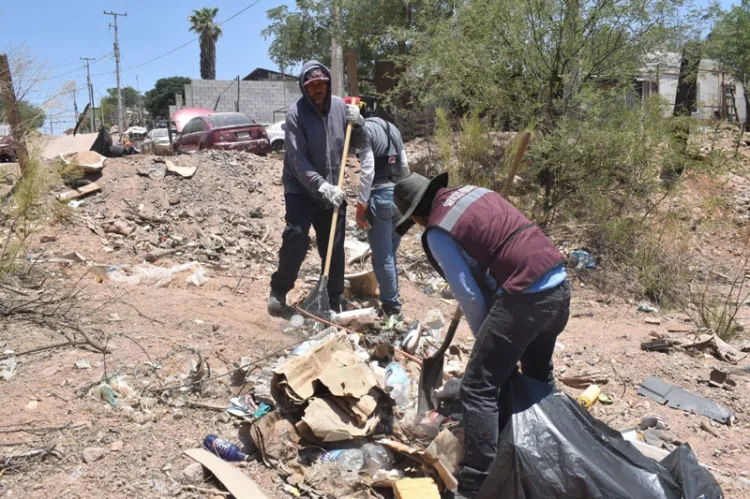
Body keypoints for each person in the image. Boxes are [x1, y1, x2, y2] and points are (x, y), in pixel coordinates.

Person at [393, 172, 570, 498]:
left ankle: (478, 485)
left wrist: (484, 340)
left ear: (416, 215)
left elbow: (470, 296)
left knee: (478, 387)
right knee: (536, 374)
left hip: (526, 296)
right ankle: (545, 452)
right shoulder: (474, 193)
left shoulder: (437, 231)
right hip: (558, 285)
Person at [268, 60, 364, 317]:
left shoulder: (340, 108)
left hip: (333, 185)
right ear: (304, 88)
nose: (317, 89)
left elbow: (356, 144)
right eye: (312, 86)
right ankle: (279, 290)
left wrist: (360, 123)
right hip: (301, 187)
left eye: (321, 83)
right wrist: (319, 185)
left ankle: (332, 298)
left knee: (334, 243)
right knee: (297, 236)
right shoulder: (295, 114)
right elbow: (297, 160)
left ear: (328, 82)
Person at [354, 111, 409, 318]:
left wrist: (361, 204)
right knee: (390, 255)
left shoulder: (366, 131)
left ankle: (391, 306)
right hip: (399, 196)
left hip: (380, 196)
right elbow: (403, 165)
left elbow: (368, 170)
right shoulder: (393, 129)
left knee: (382, 257)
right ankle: (392, 295)